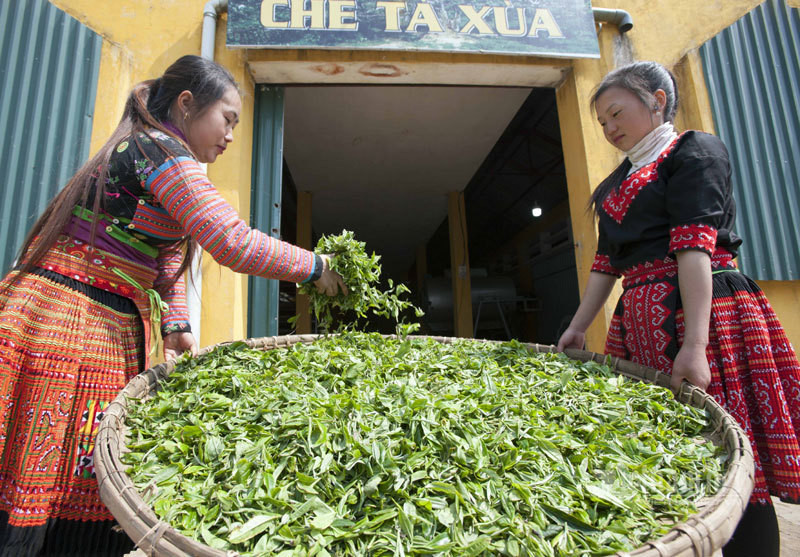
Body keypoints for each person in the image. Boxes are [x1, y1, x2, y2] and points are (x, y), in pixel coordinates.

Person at [0, 55, 346, 556]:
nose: (230, 136)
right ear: (187, 105)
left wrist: (176, 323)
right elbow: (230, 240)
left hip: (100, 315)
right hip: (68, 317)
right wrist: (316, 267)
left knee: (75, 469)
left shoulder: (151, 150)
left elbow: (164, 255)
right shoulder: (159, 149)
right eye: (226, 120)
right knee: (51, 465)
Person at [557, 61, 800, 557]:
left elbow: (694, 248)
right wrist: (579, 327)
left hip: (705, 316)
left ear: (658, 100)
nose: (609, 129)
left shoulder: (693, 151)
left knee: (728, 450)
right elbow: (606, 264)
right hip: (641, 322)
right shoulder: (616, 183)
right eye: (602, 122)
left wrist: (694, 346)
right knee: (670, 449)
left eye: (616, 113)